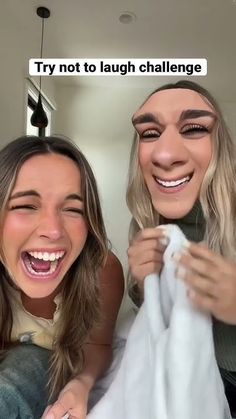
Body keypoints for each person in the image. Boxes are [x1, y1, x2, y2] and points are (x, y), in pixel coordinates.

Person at [126, 80, 236, 416]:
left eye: (192, 129)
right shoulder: (149, 226)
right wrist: (147, 286)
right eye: (150, 133)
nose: (165, 154)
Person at [0, 135, 124, 419]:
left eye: (72, 209)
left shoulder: (101, 268)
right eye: (26, 205)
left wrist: (80, 384)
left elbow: (98, 344)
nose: (54, 230)